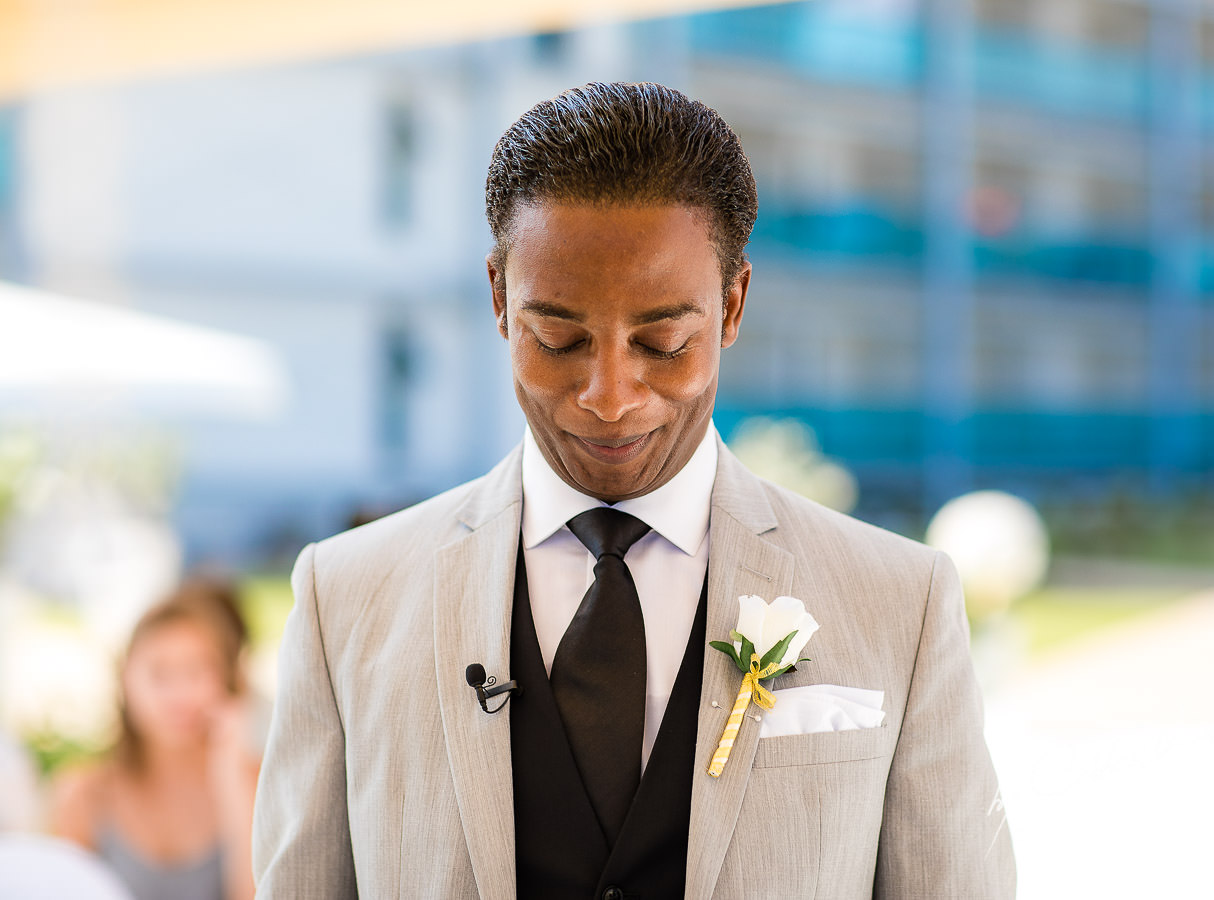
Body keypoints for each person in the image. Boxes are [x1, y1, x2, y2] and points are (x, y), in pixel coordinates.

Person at [253, 81, 1015, 898]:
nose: (609, 396)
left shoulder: (903, 604)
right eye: (559, 339)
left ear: (731, 305)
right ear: (500, 301)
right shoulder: (345, 600)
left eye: (663, 342)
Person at [50, 579, 260, 900]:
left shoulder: (256, 784)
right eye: (159, 673)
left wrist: (232, 780)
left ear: (226, 679)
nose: (179, 694)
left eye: (196, 670)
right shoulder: (83, 794)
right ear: (125, 678)